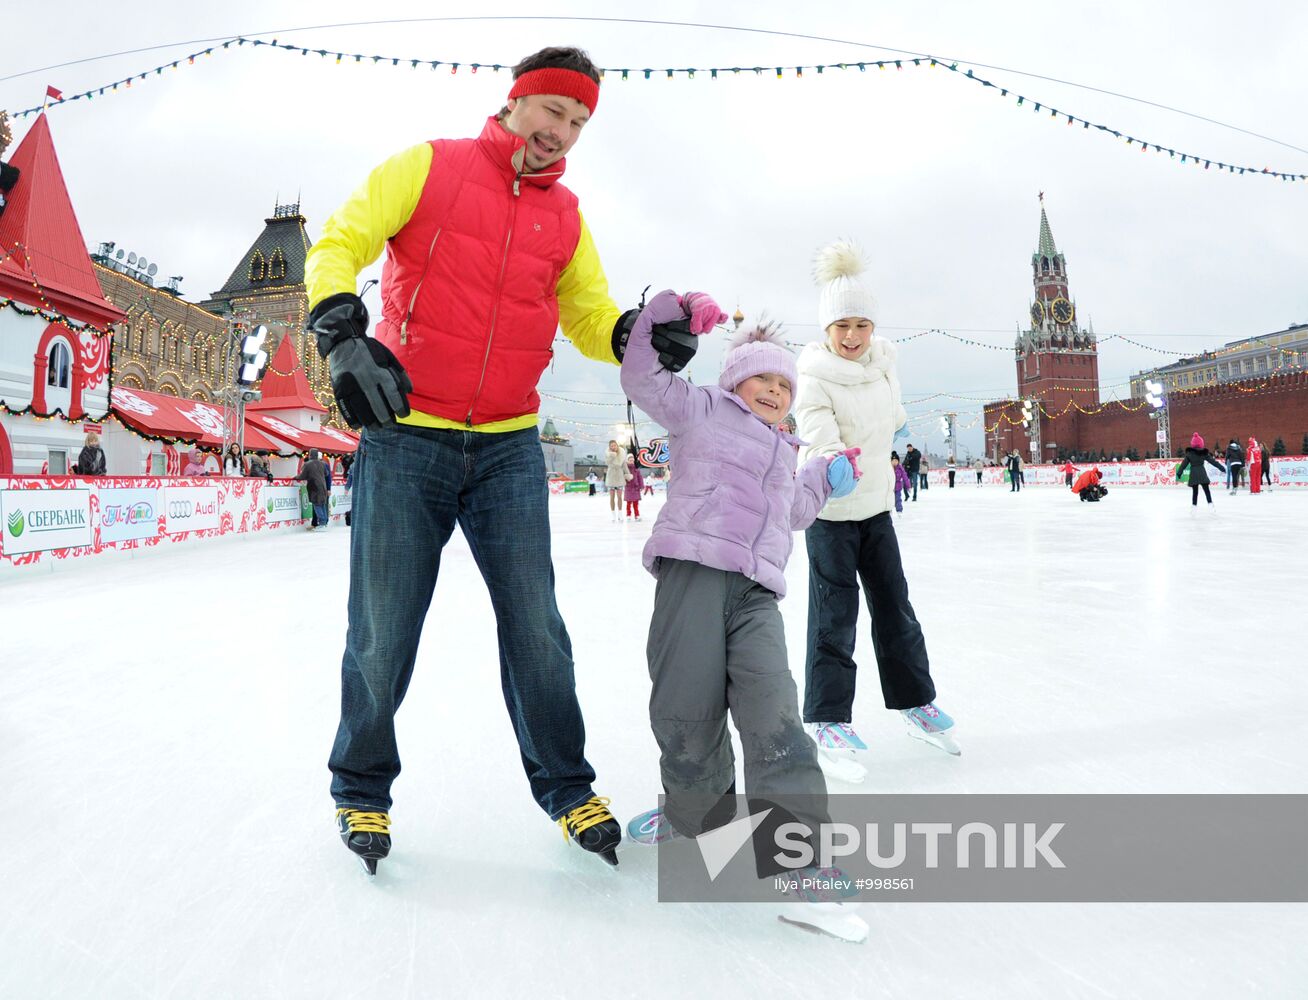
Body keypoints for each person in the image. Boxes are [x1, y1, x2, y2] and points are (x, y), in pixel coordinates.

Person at [304, 46, 705, 871]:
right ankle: (362, 791)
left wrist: (633, 332)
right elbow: (339, 241)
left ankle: (566, 785)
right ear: (516, 102)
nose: (563, 133)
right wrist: (342, 335)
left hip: (508, 449)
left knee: (538, 631)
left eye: (580, 123)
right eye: (554, 112)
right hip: (407, 436)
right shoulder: (430, 167)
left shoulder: (565, 218)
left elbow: (589, 317)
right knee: (382, 632)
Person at [619, 290, 868, 944]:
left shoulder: (786, 450)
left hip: (756, 594)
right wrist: (660, 320)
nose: (778, 392)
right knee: (685, 708)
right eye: (765, 378)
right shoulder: (701, 409)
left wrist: (824, 478)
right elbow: (642, 376)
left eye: (786, 385)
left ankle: (805, 857)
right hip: (693, 575)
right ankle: (694, 813)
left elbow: (791, 513)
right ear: (736, 380)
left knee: (774, 710)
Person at [794, 240, 959, 787]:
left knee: (896, 608)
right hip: (832, 513)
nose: (852, 336)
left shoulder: (886, 364)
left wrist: (897, 426)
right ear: (826, 329)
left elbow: (891, 414)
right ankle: (826, 718)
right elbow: (818, 437)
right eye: (841, 325)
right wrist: (831, 462)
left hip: (878, 510)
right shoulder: (813, 376)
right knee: (834, 617)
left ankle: (916, 702)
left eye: (861, 324)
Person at [1178, 433, 1225, 508]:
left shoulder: (1189, 454)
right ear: (1201, 443)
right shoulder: (1204, 453)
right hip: (1202, 473)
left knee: (1195, 492)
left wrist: (1179, 473)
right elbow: (1213, 461)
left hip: (1194, 474)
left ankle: (1194, 507)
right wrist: (1221, 467)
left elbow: (1183, 464)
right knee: (1206, 490)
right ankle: (1210, 504)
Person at [297, 449, 331, 530]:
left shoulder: (307, 464)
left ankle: (322, 524)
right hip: (323, 486)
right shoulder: (323, 464)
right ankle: (324, 523)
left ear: (310, 455)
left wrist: (295, 477)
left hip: (314, 487)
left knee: (317, 505)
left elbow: (302, 476)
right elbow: (327, 473)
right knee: (322, 505)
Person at [604, 439, 627, 522]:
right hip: (611, 476)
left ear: (617, 445)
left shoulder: (622, 453)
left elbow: (624, 465)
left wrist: (628, 474)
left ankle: (620, 514)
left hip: (619, 476)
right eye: (612, 446)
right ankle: (613, 515)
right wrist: (611, 455)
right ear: (610, 447)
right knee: (612, 497)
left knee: (620, 497)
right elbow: (607, 463)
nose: (613, 447)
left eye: (615, 445)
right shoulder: (607, 454)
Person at [622, 452, 645, 520]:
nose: (631, 461)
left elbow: (640, 478)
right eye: (630, 460)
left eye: (632, 460)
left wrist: (641, 486)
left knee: (636, 503)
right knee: (628, 503)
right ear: (627, 461)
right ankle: (628, 515)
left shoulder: (636, 469)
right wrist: (626, 477)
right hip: (628, 488)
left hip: (635, 488)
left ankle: (637, 515)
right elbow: (622, 477)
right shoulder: (625, 469)